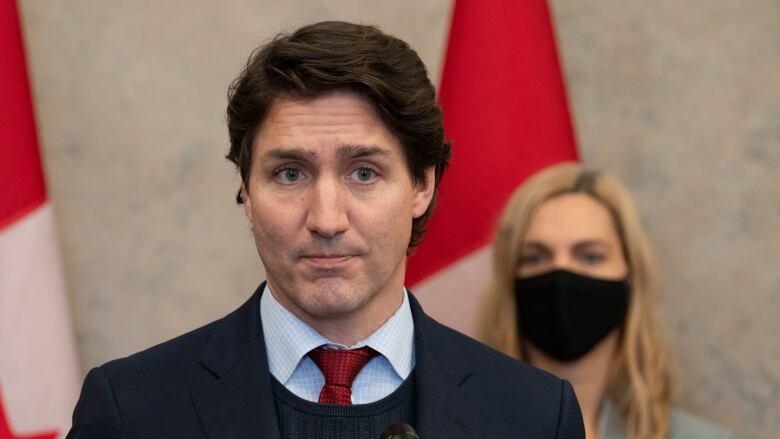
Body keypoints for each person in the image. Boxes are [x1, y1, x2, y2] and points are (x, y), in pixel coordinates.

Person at [67, 21, 584, 439]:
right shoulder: (131, 409)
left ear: (422, 186)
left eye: (364, 172)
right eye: (289, 174)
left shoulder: (534, 414)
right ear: (246, 191)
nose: (327, 220)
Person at [478, 163, 730, 439]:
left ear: (630, 276)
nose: (562, 273)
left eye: (590, 256)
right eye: (536, 258)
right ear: (510, 278)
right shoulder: (457, 428)